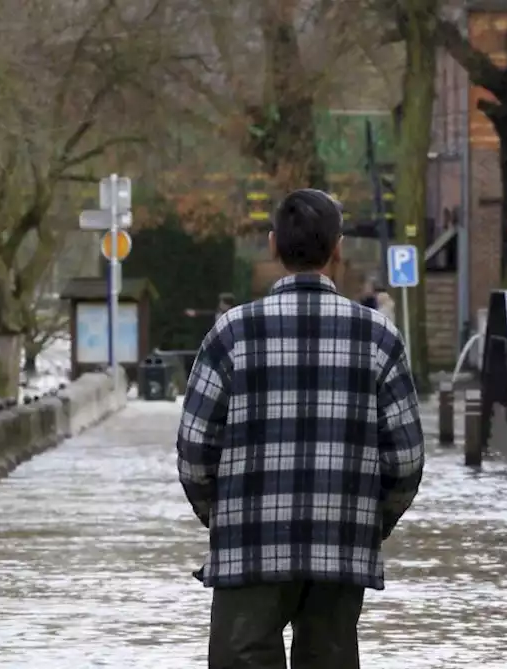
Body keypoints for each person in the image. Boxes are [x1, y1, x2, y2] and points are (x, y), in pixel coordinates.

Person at [176, 188, 425, 669]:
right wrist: (370, 523)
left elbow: (195, 450)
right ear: (338, 250)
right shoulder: (378, 336)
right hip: (343, 544)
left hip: (248, 546)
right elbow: (406, 459)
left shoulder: (231, 333)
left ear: (273, 246)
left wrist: (223, 517)